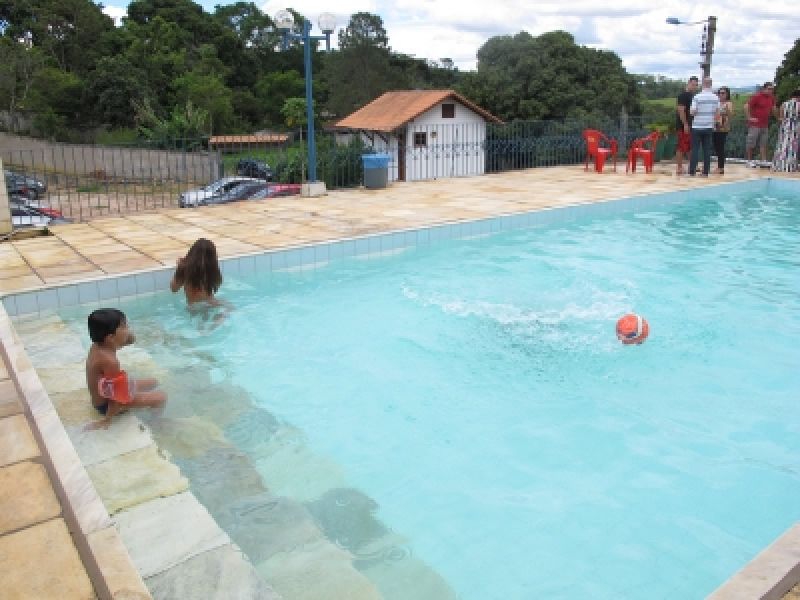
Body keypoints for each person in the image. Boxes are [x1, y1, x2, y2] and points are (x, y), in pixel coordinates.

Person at [85, 308, 166, 429]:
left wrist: (125, 333)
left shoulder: (98, 345)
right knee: (161, 397)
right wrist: (107, 420)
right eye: (124, 326)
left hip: (103, 397)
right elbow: (116, 397)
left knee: (153, 382)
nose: (128, 328)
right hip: (106, 405)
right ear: (111, 337)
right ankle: (154, 423)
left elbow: (129, 340)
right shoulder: (110, 362)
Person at [170, 238, 224, 306]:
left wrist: (179, 270)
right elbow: (218, 284)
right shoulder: (212, 270)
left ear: (192, 253)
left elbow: (174, 288)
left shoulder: (184, 268)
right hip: (211, 303)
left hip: (194, 307)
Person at [689, 77, 720, 177]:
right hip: (709, 126)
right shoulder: (715, 98)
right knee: (707, 150)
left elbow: (692, 112)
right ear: (711, 84)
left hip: (697, 126)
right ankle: (705, 172)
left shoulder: (697, 97)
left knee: (695, 149)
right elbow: (717, 113)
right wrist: (714, 123)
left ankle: (692, 171)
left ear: (703, 84)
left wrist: (695, 111)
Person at [745, 82, 778, 167]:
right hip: (755, 124)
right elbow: (746, 106)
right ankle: (749, 161)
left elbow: (774, 109)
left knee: (763, 143)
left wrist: (779, 118)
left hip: (765, 124)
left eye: (772, 89)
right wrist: (749, 117)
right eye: (769, 89)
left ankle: (763, 160)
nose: (770, 91)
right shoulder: (757, 96)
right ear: (764, 89)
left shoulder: (772, 98)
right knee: (751, 143)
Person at [675, 76, 699, 175]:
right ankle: (679, 168)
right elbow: (681, 110)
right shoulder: (683, 96)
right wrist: (685, 124)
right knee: (681, 146)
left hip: (690, 124)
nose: (694, 87)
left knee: (689, 146)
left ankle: (692, 165)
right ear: (688, 83)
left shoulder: (692, 96)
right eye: (693, 84)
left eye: (696, 85)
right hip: (683, 125)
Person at [772, 88, 800, 172]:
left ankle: (778, 165)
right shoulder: (799, 104)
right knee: (792, 146)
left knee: (782, 145)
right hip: (795, 127)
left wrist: (784, 120)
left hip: (784, 126)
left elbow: (781, 117)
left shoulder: (784, 104)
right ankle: (789, 166)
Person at [713, 86, 734, 174]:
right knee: (716, 147)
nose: (721, 95)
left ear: (727, 94)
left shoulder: (728, 103)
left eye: (723, 93)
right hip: (715, 127)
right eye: (720, 93)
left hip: (723, 128)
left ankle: (721, 167)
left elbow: (731, 114)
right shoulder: (716, 103)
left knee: (720, 147)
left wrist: (725, 110)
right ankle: (719, 166)